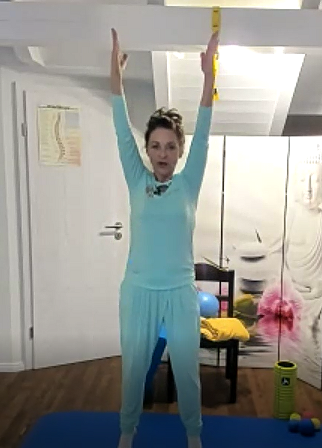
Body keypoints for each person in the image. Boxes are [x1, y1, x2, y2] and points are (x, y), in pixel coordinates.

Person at [109, 28, 217, 448]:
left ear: (180, 149)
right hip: (138, 291)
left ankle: (194, 436)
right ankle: (127, 432)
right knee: (134, 370)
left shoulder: (189, 183)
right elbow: (122, 132)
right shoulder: (137, 180)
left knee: (187, 371)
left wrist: (209, 78)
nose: (162, 154)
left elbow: (204, 132)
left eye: (170, 146)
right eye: (155, 146)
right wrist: (116, 79)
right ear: (148, 149)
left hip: (179, 292)